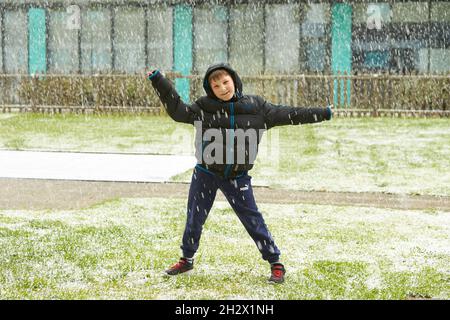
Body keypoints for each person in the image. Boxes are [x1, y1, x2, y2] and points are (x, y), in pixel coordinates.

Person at [147, 63, 332, 284]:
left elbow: (291, 114)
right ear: (210, 89)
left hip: (237, 176)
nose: (223, 88)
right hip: (206, 173)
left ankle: (275, 263)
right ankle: (186, 259)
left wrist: (323, 113)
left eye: (225, 82)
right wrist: (159, 80)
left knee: (252, 219)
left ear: (234, 81)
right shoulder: (203, 108)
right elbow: (177, 110)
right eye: (216, 86)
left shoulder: (257, 107)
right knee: (194, 218)